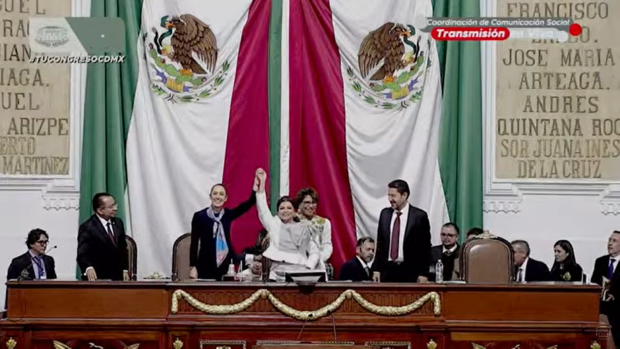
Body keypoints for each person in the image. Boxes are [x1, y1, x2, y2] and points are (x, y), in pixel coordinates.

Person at [255, 168, 322, 281]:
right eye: (282, 208)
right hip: (276, 274)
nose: (285, 211)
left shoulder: (303, 228)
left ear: (295, 211)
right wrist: (261, 186)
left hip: (298, 274)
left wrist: (308, 267)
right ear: (278, 211)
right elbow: (263, 210)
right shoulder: (274, 224)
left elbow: (314, 251)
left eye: (289, 208)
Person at [189, 181, 257, 280]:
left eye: (221, 194)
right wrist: (193, 266)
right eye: (215, 193)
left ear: (225, 198)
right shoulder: (199, 216)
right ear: (210, 196)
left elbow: (247, 205)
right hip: (205, 265)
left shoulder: (228, 215)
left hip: (225, 266)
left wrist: (255, 189)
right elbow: (194, 243)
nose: (218, 196)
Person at [372, 179, 431, 283]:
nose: (390, 199)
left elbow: (425, 247)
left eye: (393, 196)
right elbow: (380, 244)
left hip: (410, 272)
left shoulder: (419, 216)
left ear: (404, 195)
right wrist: (376, 269)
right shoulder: (385, 214)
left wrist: (424, 273)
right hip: (387, 272)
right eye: (389, 195)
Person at [77, 193, 129, 281]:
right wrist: (88, 267)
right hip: (99, 277)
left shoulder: (118, 223)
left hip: (118, 277)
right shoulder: (87, 227)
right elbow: (83, 253)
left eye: (115, 204)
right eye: (111, 207)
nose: (115, 208)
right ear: (100, 210)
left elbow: (123, 248)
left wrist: (125, 269)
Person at [295, 188, 333, 264]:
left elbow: (327, 245)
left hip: (317, 263)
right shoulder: (292, 221)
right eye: (307, 202)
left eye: (314, 202)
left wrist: (318, 258)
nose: (311, 206)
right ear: (299, 204)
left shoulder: (324, 222)